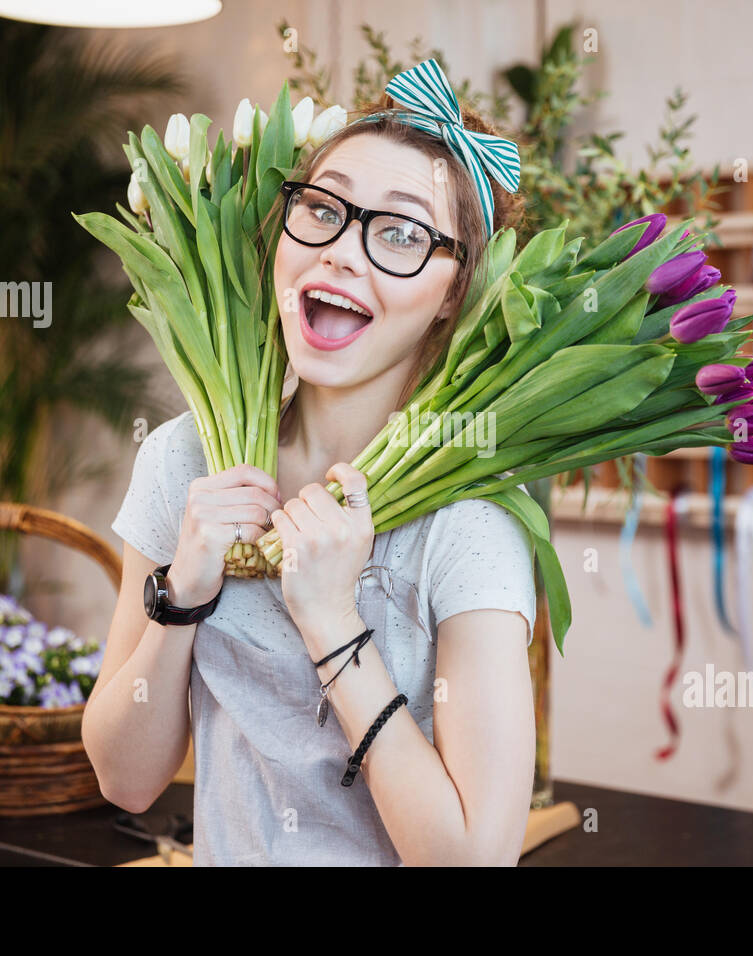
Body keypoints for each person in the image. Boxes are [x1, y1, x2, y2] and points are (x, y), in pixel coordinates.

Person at [83, 60, 539, 866]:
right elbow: (123, 778)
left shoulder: (467, 527)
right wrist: (182, 595)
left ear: (454, 289)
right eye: (323, 209)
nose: (341, 253)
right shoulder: (184, 461)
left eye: (401, 232)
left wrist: (331, 621)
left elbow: (473, 859)